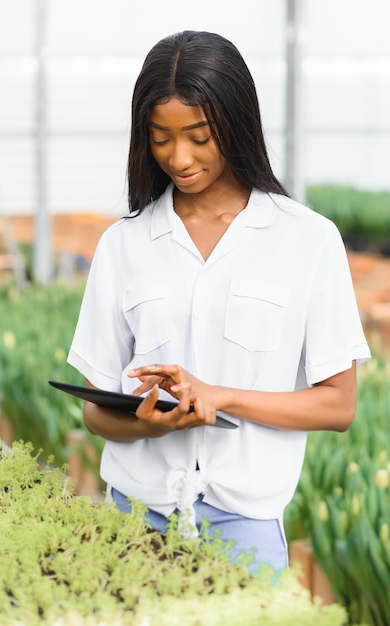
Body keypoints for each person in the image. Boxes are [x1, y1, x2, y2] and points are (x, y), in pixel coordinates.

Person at [68, 30, 371, 574]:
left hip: (246, 535)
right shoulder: (124, 243)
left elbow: (337, 405)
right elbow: (95, 409)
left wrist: (219, 396)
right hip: (133, 520)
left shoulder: (307, 239)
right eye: (160, 138)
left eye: (199, 136)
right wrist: (148, 424)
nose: (178, 157)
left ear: (236, 123)